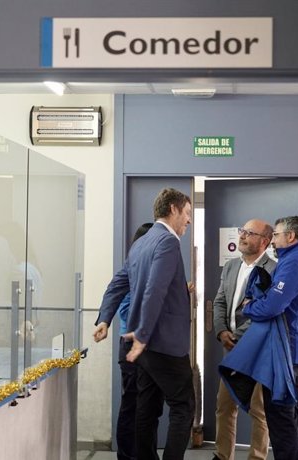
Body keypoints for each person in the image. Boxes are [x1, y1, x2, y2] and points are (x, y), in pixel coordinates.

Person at [97, 187, 195, 460]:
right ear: (173, 209)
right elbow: (155, 289)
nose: (188, 220)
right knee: (183, 406)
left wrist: (105, 318)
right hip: (163, 343)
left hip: (145, 348)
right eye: (187, 213)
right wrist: (143, 333)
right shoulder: (168, 242)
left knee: (147, 409)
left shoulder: (141, 242)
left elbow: (118, 283)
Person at [242, 216, 298, 460]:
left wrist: (248, 307)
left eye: (276, 235)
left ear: (290, 237)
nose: (273, 241)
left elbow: (272, 307)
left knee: (281, 417)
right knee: (297, 413)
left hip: (285, 350)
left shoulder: (294, 263)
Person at [212, 219, 275, 460]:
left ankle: (257, 457)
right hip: (231, 349)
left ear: (264, 241)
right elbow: (219, 301)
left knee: (259, 409)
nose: (242, 236)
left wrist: (236, 336)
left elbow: (266, 311)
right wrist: (221, 331)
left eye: (250, 233)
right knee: (224, 406)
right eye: (242, 231)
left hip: (257, 349)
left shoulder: (274, 269)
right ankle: (222, 455)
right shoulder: (230, 267)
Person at [93, 222, 154, 460]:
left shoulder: (154, 270)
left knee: (148, 407)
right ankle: (127, 456)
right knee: (132, 405)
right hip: (132, 347)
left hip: (152, 349)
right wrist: (104, 321)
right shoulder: (133, 269)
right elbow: (119, 300)